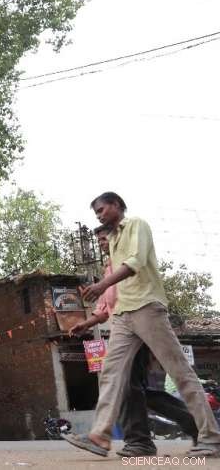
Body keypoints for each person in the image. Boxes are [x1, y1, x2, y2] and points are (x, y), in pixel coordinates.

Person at [64, 192, 220, 458]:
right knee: (111, 374)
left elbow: (134, 263)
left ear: (116, 205)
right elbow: (108, 300)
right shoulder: (113, 242)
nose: (99, 216)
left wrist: (101, 285)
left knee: (179, 372)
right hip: (123, 316)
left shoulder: (137, 225)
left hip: (147, 307)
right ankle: (99, 436)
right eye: (96, 213)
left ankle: (211, 437)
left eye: (101, 210)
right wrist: (89, 319)